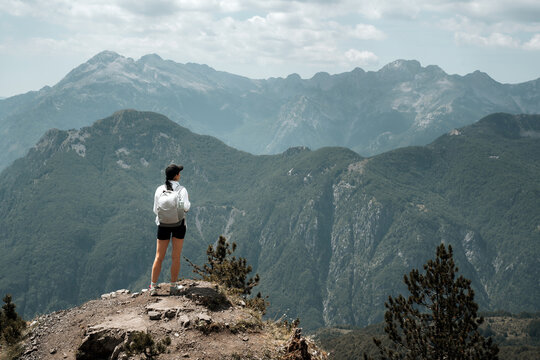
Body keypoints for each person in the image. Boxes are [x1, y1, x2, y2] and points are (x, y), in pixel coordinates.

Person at [150, 164, 190, 295]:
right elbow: (186, 208)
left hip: (163, 225)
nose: (180, 174)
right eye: (179, 172)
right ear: (176, 176)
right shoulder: (182, 190)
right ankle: (173, 286)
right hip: (179, 225)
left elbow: (155, 210)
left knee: (159, 256)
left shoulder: (159, 189)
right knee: (176, 256)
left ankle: (153, 287)